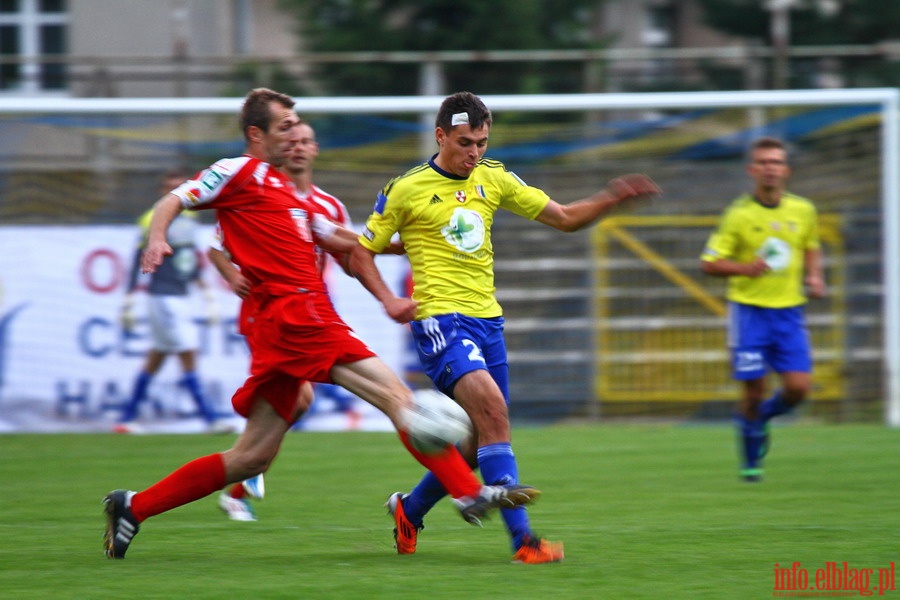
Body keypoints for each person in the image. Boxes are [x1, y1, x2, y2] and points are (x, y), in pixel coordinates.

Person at [102, 88, 538, 560]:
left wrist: (405, 240)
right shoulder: (236, 172)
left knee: (252, 457)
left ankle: (133, 507)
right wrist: (159, 238)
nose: (297, 136)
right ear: (257, 134)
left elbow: (343, 242)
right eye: (286, 127)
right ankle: (465, 493)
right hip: (295, 318)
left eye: (300, 129)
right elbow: (175, 200)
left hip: (294, 321)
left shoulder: (297, 196)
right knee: (399, 399)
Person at [349, 91, 661, 564]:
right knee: (494, 411)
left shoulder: (493, 178)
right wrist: (390, 299)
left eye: (482, 142)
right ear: (440, 136)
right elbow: (360, 252)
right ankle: (525, 543)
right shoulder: (407, 188)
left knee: (479, 440)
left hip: (488, 322)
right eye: (465, 142)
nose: (475, 152)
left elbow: (563, 218)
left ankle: (409, 510)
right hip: (439, 320)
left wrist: (610, 198)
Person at [209, 121, 358, 522]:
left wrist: (374, 275)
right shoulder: (255, 190)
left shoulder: (329, 206)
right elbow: (216, 245)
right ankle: (246, 473)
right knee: (299, 397)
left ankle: (246, 471)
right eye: (291, 140)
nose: (297, 147)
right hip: (270, 312)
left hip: (312, 312)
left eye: (305, 141)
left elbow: (350, 253)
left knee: (294, 400)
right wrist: (232, 274)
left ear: (316, 150)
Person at [700, 136, 825, 482]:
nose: (771, 168)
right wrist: (745, 268)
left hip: (789, 313)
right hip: (749, 313)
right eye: (764, 162)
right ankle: (751, 461)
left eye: (777, 162)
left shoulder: (804, 210)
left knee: (799, 388)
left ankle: (760, 418)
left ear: (787, 169)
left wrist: (815, 276)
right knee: (753, 390)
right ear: (752, 170)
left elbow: (811, 245)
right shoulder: (738, 215)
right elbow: (709, 263)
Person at [114, 169, 229, 434]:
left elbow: (188, 258)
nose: (175, 193)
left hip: (181, 295)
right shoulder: (151, 219)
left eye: (179, 187)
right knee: (187, 352)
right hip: (163, 295)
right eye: (169, 188)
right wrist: (130, 298)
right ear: (161, 191)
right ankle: (210, 418)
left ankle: (125, 418)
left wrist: (206, 292)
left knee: (157, 357)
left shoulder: (189, 218)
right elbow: (137, 258)